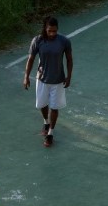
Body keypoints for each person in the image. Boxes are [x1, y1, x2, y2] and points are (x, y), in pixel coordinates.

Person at [23, 16, 73, 148]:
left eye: (55, 31)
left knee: (54, 107)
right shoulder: (37, 41)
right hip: (42, 79)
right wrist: (26, 76)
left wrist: (69, 76)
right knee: (42, 105)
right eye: (50, 31)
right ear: (45, 29)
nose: (52, 34)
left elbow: (69, 59)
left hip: (58, 80)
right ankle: (46, 122)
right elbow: (31, 59)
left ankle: (50, 133)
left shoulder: (64, 41)